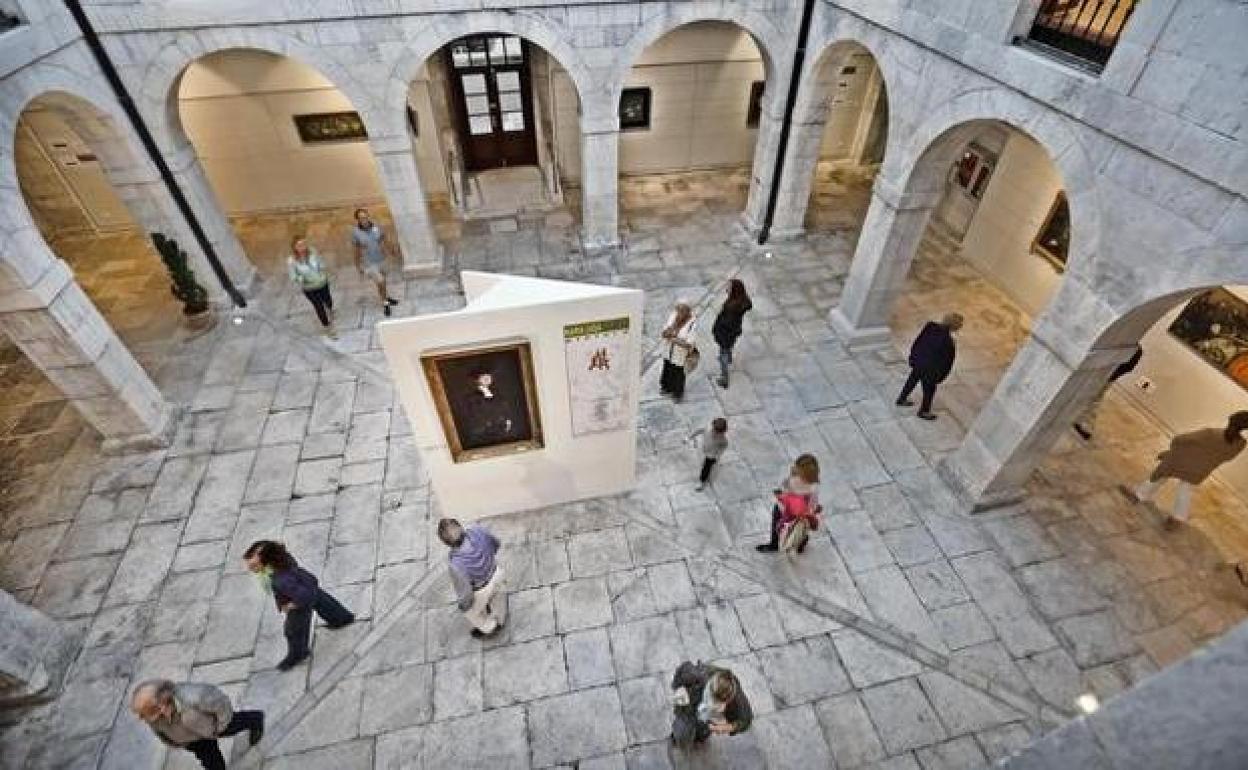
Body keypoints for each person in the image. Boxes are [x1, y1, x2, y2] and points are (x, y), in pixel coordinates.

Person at [1120, 411, 1248, 530]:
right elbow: (1228, 458)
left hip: (1180, 460)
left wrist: (1174, 448)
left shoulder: (1210, 433)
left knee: (1159, 476)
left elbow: (1181, 439)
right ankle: (1177, 518)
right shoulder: (1241, 444)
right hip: (1201, 470)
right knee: (1185, 490)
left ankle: (1139, 495)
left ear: (1230, 420)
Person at [243, 540, 354, 671]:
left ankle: (299, 654)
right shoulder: (281, 559)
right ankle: (342, 618)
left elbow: (305, 596)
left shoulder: (281, 580)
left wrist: (292, 605)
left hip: (299, 599)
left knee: (293, 631)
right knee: (322, 601)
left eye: (254, 566)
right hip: (305, 585)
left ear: (267, 561)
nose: (250, 569)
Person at [130, 679, 264, 770]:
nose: (146, 719)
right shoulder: (152, 718)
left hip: (212, 725)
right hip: (194, 741)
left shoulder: (194, 696)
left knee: (236, 724)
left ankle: (256, 719)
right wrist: (179, 743)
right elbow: (160, 733)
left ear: (161, 705)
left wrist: (222, 725)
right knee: (211, 761)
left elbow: (220, 704)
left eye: (148, 713)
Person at [439, 517, 507, 638]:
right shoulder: (477, 530)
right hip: (497, 572)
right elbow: (496, 543)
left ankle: (489, 627)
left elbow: (465, 592)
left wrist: (464, 606)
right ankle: (501, 619)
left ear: (446, 543)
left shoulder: (456, 564)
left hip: (482, 589)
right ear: (460, 526)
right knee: (499, 598)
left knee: (471, 613)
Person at [896, 313, 963, 420]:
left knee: (912, 380)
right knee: (929, 391)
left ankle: (901, 398)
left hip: (918, 362)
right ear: (955, 326)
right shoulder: (948, 342)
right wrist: (940, 377)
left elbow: (918, 341)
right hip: (930, 370)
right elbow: (946, 363)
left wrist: (913, 357)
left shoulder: (930, 326)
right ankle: (924, 411)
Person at [669, 662, 752, 748]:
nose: (714, 704)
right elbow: (680, 673)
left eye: (719, 702)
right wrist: (679, 689)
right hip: (690, 706)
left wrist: (726, 727)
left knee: (703, 732)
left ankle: (699, 737)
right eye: (712, 698)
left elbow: (746, 720)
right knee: (681, 732)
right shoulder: (695, 674)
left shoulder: (737, 698)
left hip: (709, 719)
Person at [756, 454, 822, 553]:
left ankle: (800, 542)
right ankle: (774, 543)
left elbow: (812, 503)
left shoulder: (812, 488)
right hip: (783, 507)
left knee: (796, 529)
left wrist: (809, 512)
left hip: (798, 514)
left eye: (800, 472)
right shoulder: (793, 478)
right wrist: (781, 495)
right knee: (777, 525)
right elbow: (784, 488)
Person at [1074, 344, 1143, 440]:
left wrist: (1110, 375)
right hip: (1103, 375)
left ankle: (1084, 423)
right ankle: (1083, 421)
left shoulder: (1134, 350)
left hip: (1105, 377)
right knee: (1092, 398)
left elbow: (1127, 368)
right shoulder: (1132, 348)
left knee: (1094, 399)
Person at [351, 208, 400, 317]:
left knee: (383, 282)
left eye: (365, 217)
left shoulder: (376, 227)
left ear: (368, 216)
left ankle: (386, 297)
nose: (364, 220)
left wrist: (392, 250)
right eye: (361, 218)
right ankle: (385, 303)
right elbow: (356, 250)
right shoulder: (356, 233)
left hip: (381, 259)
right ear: (358, 220)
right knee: (381, 282)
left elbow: (384, 239)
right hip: (369, 263)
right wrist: (358, 265)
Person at [287, 235, 336, 339]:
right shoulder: (291, 261)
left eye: (304, 244)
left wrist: (323, 271)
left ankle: (330, 310)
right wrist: (304, 279)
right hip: (309, 288)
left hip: (322, 282)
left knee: (328, 300)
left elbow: (320, 262)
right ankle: (327, 327)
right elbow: (293, 277)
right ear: (294, 247)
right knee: (319, 307)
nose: (303, 247)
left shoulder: (313, 252)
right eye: (299, 245)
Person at [711, 279, 752, 388]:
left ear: (734, 290)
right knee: (729, 346)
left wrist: (718, 327)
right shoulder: (743, 299)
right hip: (735, 331)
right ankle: (728, 356)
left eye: (729, 287)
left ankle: (724, 378)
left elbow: (727, 322)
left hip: (726, 333)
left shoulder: (731, 307)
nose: (726, 288)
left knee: (723, 353)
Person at [660, 302, 697, 402]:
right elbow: (664, 330)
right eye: (678, 309)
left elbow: (689, 343)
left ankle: (677, 394)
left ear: (687, 311)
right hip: (668, 350)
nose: (679, 312)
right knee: (667, 369)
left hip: (680, 354)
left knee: (678, 373)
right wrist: (666, 331)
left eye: (682, 310)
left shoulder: (692, 324)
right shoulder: (674, 315)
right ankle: (666, 387)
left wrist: (673, 339)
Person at [691, 417, 729, 492]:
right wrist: (690, 437)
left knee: (706, 468)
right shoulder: (707, 429)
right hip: (704, 449)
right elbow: (699, 430)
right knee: (703, 463)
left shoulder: (723, 440)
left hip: (711, 455)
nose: (715, 433)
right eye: (714, 430)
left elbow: (722, 449)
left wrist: (716, 456)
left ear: (723, 432)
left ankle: (702, 481)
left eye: (718, 433)